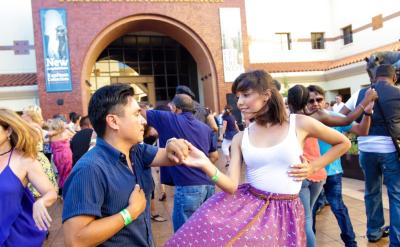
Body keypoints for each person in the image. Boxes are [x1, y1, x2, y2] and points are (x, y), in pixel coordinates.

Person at [164, 70, 351, 246]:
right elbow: (231, 185)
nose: (239, 102)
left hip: (288, 212)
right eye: (238, 97)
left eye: (246, 95)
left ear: (266, 95)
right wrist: (205, 164)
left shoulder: (299, 123)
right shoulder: (240, 138)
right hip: (252, 211)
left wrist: (313, 167)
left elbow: (344, 143)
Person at [62, 84, 192, 246]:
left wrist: (173, 142)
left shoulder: (137, 151)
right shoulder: (90, 169)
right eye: (136, 114)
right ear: (113, 121)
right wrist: (130, 213)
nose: (143, 121)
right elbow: (75, 239)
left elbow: (173, 155)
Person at [288, 84, 376, 247]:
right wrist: (365, 101)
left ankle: (350, 242)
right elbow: (348, 121)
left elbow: (360, 130)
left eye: (319, 99)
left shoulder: (323, 116)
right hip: (311, 173)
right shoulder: (310, 119)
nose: (315, 103)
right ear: (304, 102)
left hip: (328, 172)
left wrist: (367, 112)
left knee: (334, 208)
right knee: (309, 214)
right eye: (310, 100)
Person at [340, 64, 400, 244]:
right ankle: (396, 241)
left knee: (371, 191)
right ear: (394, 78)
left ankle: (374, 232)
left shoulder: (361, 94)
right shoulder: (398, 94)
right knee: (395, 194)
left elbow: (342, 116)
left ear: (374, 78)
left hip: (366, 149)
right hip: (390, 150)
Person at [142, 94, 219, 232]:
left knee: (184, 234)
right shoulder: (205, 128)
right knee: (204, 231)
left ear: (175, 108)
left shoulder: (169, 118)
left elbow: (139, 112)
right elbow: (214, 156)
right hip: (209, 185)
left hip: (188, 185)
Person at [0, 108, 57, 246]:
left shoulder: (24, 160)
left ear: (8, 131)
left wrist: (41, 202)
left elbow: (51, 192)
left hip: (15, 235)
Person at [21, 105, 58, 198]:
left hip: (34, 158)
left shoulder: (32, 128)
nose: (22, 116)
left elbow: (29, 145)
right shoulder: (35, 127)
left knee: (36, 193)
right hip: (36, 158)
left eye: (23, 113)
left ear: (30, 115)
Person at [49, 118, 73, 195]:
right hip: (66, 155)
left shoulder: (51, 136)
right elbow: (76, 134)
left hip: (57, 157)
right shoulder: (66, 133)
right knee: (67, 173)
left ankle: (61, 190)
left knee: (61, 174)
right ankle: (67, 191)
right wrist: (69, 127)